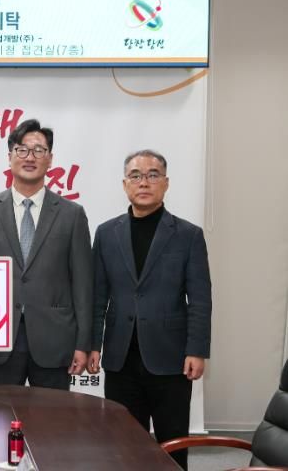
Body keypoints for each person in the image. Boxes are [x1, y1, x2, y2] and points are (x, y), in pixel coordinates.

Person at [86, 149, 211, 470]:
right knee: (122, 443)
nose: (144, 182)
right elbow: (98, 295)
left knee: (173, 443)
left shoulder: (188, 235)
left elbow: (200, 299)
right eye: (136, 176)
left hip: (171, 358)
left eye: (153, 175)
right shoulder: (106, 233)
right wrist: (93, 345)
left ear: (166, 183)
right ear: (125, 184)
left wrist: (197, 350)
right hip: (120, 357)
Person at [0, 119, 93, 389]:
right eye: (22, 150)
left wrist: (83, 343)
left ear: (50, 159)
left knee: (52, 415)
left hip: (55, 340)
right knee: (0, 413)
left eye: (38, 150)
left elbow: (82, 284)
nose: (30, 157)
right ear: (10, 156)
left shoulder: (71, 215)